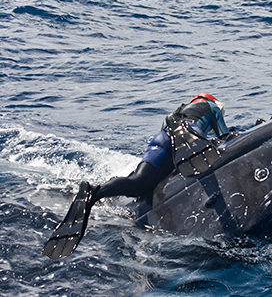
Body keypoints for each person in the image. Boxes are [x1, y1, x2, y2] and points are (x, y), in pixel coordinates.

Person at [42, 93, 230, 259]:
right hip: (189, 136)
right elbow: (225, 135)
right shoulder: (212, 106)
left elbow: (165, 137)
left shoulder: (176, 113)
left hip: (162, 141)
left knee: (138, 182)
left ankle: (97, 192)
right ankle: (95, 192)